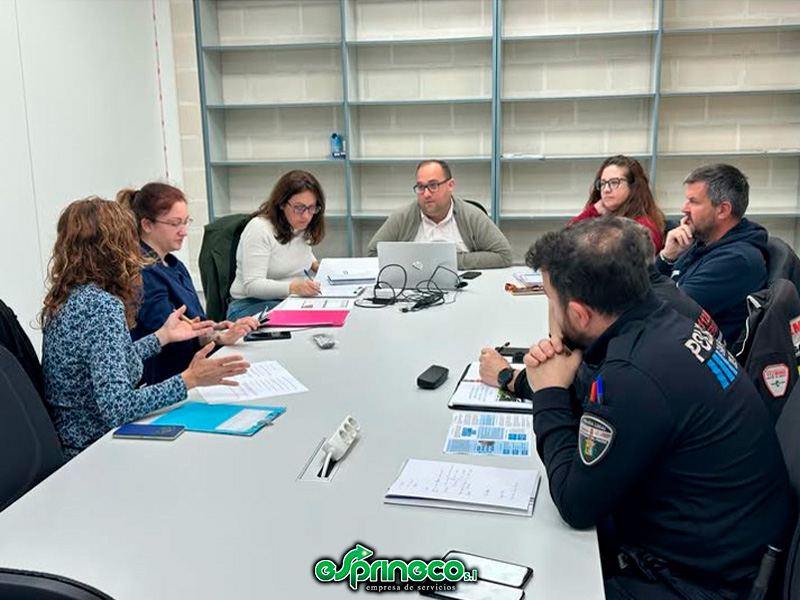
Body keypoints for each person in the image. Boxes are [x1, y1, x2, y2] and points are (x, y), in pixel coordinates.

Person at [523, 217, 792, 598]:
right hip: (730, 541)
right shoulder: (662, 314)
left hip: (699, 581)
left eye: (551, 302)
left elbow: (575, 504)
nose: (550, 313)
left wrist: (548, 393)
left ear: (581, 313)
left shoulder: (633, 376)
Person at [41, 198, 250, 459]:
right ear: (116, 248)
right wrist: (190, 379)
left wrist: (161, 337)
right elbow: (118, 407)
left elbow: (106, 362)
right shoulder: (101, 306)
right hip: (95, 450)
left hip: (74, 441)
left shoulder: (68, 296)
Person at [480, 260, 721, 398]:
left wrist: (508, 377)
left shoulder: (627, 360)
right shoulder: (658, 305)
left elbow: (577, 392)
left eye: (551, 300)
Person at [118, 183, 258, 385]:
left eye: (186, 222)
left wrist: (221, 328)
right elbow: (173, 335)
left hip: (188, 370)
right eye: (175, 224)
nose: (183, 231)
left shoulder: (175, 265)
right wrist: (219, 336)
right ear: (147, 225)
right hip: (167, 379)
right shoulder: (142, 274)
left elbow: (194, 322)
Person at [656, 164, 768, 345]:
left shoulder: (736, 261)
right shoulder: (702, 242)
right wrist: (667, 257)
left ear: (723, 209)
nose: (684, 208)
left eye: (693, 201)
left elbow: (662, 312)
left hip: (697, 362)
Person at [367, 160, 512, 269]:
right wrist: (412, 262)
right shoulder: (402, 217)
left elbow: (504, 256)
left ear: (450, 186)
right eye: (421, 187)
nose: (426, 194)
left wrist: (449, 261)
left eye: (433, 185)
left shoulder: (472, 216)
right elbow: (373, 253)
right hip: (413, 291)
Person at [228, 170, 326, 320]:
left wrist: (319, 267)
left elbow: (299, 254)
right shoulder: (259, 229)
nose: (306, 215)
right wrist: (294, 287)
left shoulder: (300, 225)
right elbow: (252, 284)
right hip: (250, 306)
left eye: (312, 207)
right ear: (281, 204)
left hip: (288, 300)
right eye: (299, 208)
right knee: (310, 321)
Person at [569, 155, 665, 253]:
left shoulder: (643, 227)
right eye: (603, 183)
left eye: (614, 183)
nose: (606, 189)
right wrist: (593, 210)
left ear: (633, 187)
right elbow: (566, 242)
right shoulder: (600, 215)